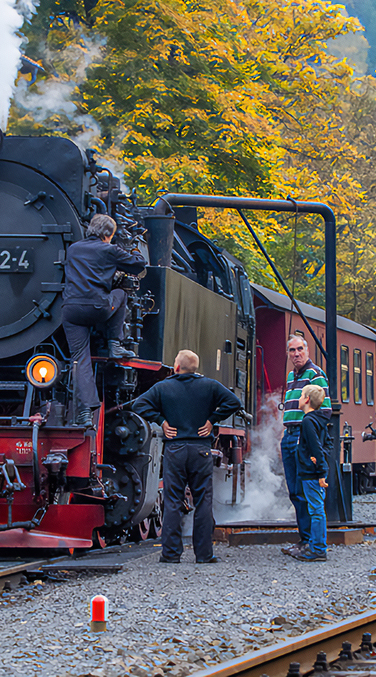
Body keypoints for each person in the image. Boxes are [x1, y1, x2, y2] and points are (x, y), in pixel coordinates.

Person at [133, 349, 242, 564]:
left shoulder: (163, 387)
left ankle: (171, 554)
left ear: (177, 367)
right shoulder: (210, 386)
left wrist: (161, 420)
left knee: (172, 500)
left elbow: (139, 405)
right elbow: (234, 403)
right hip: (201, 449)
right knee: (203, 500)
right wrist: (212, 419)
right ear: (195, 368)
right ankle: (204, 554)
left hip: (175, 449)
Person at [61, 214, 147, 427]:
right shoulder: (109, 249)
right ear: (108, 234)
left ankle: (86, 412)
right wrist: (134, 248)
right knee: (121, 294)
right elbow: (138, 265)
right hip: (98, 307)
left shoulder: (73, 249)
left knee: (80, 359)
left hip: (71, 310)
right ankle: (114, 345)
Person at [280, 335, 330, 558]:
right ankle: (305, 539)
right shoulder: (291, 376)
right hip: (289, 435)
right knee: (294, 491)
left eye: (300, 349)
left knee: (305, 491)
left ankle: (311, 542)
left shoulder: (315, 374)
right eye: (292, 350)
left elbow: (325, 410)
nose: (296, 354)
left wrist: (307, 434)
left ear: (307, 351)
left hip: (302, 436)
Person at [293, 383, 331, 563]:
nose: (299, 399)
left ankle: (318, 549)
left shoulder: (308, 421)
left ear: (307, 400)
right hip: (313, 470)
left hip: (311, 473)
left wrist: (320, 468)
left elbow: (316, 447)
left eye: (301, 396)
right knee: (316, 509)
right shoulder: (320, 420)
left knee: (316, 510)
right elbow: (328, 445)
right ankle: (317, 546)